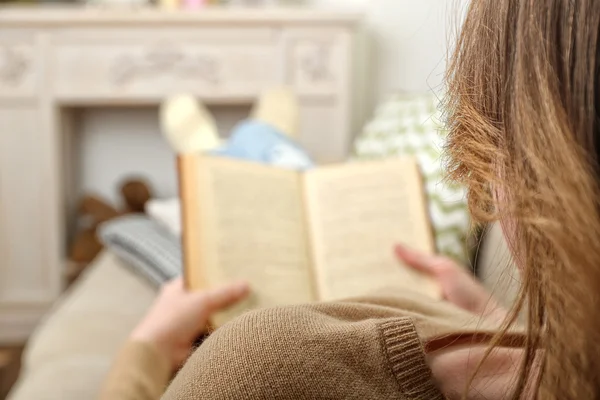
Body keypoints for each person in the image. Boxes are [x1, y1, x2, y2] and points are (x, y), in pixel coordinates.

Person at [100, 0, 600, 398]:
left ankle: (228, 143)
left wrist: (144, 351)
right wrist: (496, 322)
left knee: (255, 167)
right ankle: (261, 136)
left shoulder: (260, 375)